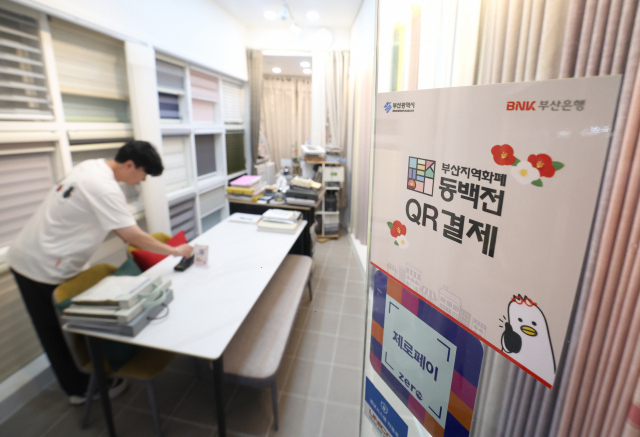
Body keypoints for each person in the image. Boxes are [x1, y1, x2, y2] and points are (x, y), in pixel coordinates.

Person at [8, 140, 193, 405]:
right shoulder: (104, 187)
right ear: (130, 165)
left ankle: (93, 374)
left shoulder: (91, 167)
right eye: (143, 174)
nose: (142, 181)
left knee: (71, 326)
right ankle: (79, 390)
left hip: (43, 256)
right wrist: (175, 251)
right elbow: (132, 236)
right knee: (55, 332)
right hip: (38, 265)